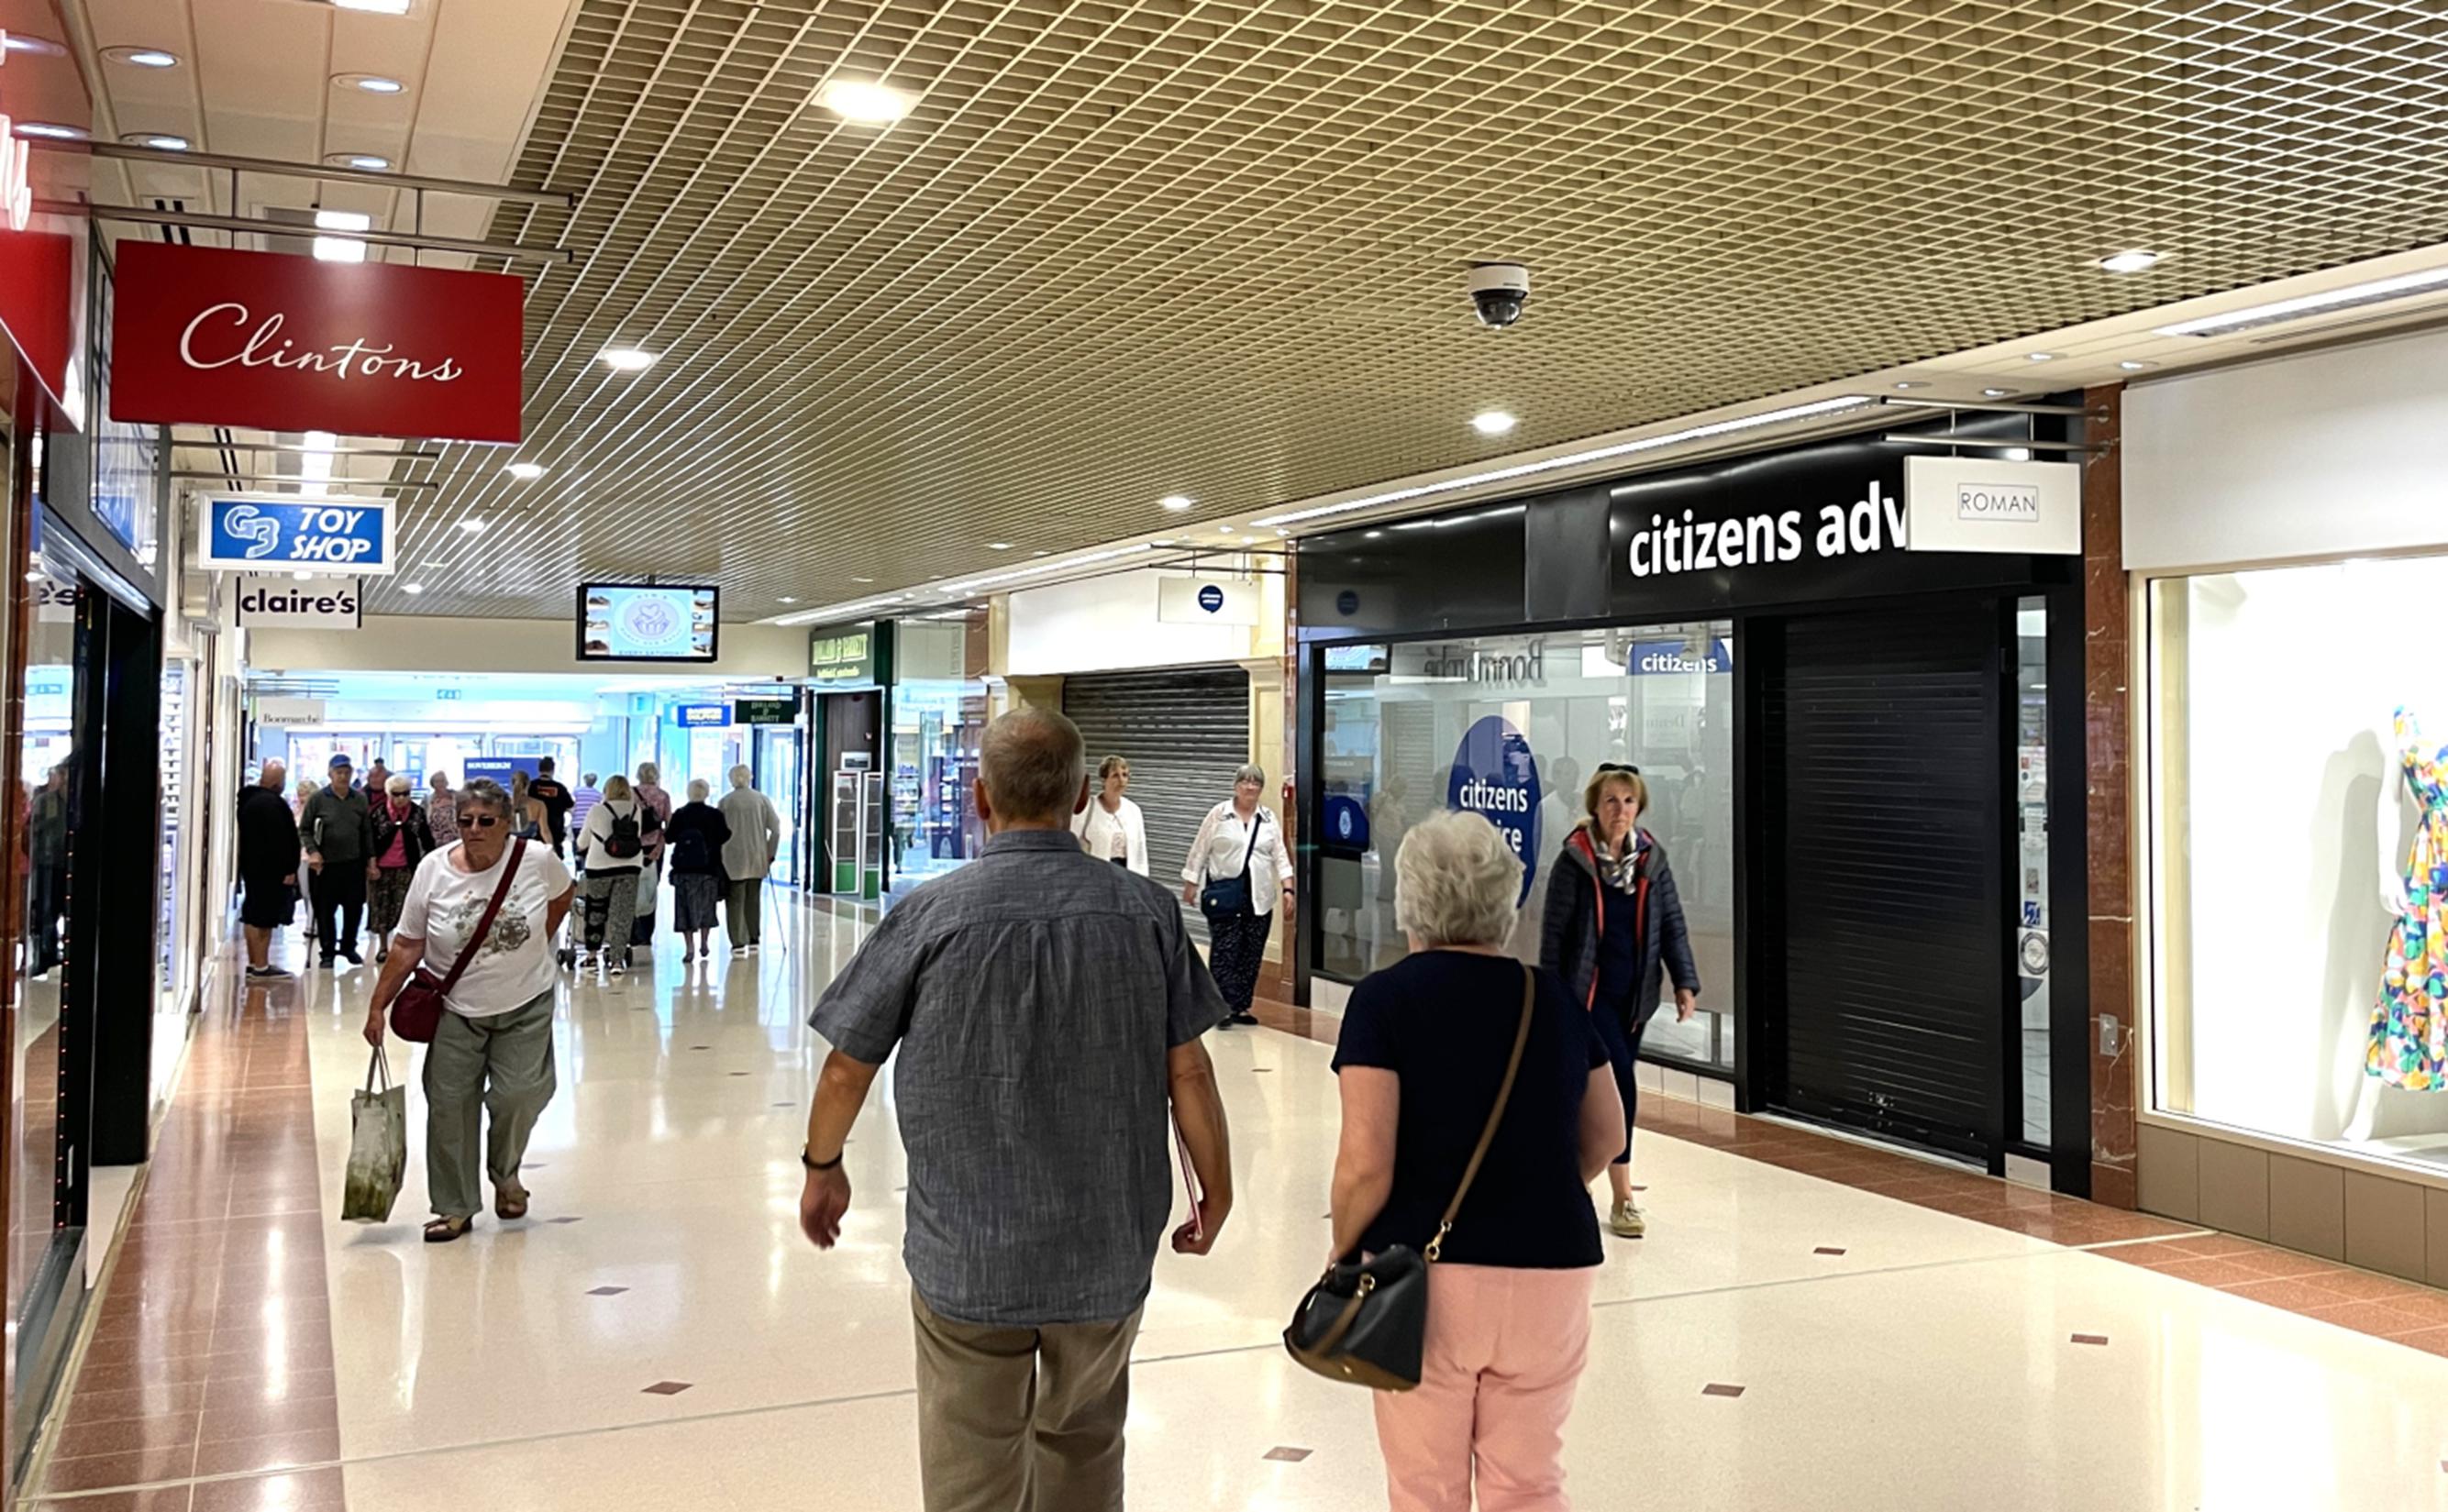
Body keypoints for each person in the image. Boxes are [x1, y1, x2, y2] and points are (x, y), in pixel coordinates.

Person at [800, 706, 1233, 1512]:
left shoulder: (929, 914)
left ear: (979, 797)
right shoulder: (1147, 914)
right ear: (1080, 796)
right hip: (1105, 1246)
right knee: (1084, 1445)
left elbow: (843, 1071)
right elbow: (1191, 1073)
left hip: (967, 1250)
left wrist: (822, 1166)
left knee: (971, 1467)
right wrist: (1216, 1189)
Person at [1333, 811, 1624, 1512]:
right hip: (1553, 1271)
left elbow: (1365, 1163)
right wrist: (1534, 1188)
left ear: (1409, 900)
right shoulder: (1553, 997)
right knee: (1528, 1484)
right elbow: (1607, 1133)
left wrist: (1341, 1253)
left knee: (1426, 1488)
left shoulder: (1382, 1000)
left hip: (1422, 1281)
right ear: (1503, 899)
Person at [363, 778, 574, 1243]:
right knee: (449, 1106)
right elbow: (408, 944)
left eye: (485, 821)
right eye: (465, 821)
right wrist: (378, 1005)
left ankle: (505, 1172)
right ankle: (454, 1206)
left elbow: (564, 895)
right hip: (454, 1007)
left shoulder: (537, 860)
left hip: (525, 1002)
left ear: (507, 823)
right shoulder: (433, 869)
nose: (474, 829)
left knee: (520, 1094)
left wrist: (540, 939)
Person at [1537, 763, 1700, 1240]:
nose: (1620, 810)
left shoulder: (1652, 859)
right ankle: (1622, 1195)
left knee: (1598, 1090)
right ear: (1595, 805)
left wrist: (1684, 982)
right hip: (1588, 998)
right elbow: (1554, 936)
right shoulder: (1575, 861)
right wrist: (1553, 998)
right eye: (1611, 800)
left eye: (1628, 801)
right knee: (1620, 1083)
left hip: (1636, 998)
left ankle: (1574, 1179)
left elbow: (1671, 924)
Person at [1180, 763, 1292, 1027]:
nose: (1250, 787)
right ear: (1235, 786)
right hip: (1225, 895)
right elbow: (1200, 848)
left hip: (1258, 897)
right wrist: (1191, 882)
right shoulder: (1219, 815)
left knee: (1251, 953)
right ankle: (1220, 1007)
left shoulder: (1268, 819)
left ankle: (1240, 1006)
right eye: (1245, 782)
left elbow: (1280, 854)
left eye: (1256, 783)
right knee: (1225, 951)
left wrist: (1288, 887)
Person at [574, 774, 656, 976]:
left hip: (599, 868)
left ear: (607, 790)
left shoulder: (597, 810)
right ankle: (617, 961)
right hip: (630, 867)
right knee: (622, 914)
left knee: (596, 911)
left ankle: (592, 956)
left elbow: (582, 842)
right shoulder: (635, 809)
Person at [298, 755, 375, 967]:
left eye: (347, 772)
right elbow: (304, 830)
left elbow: (366, 831)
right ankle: (327, 951)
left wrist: (371, 860)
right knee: (325, 910)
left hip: (353, 863)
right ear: (330, 774)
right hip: (325, 865)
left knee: (354, 909)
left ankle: (348, 947)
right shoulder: (318, 799)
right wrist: (313, 852)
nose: (343, 776)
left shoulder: (359, 799)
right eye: (339, 772)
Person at [236, 761, 300, 979]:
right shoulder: (270, 804)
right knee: (264, 918)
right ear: (277, 782)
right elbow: (280, 839)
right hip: (270, 871)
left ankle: (255, 962)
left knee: (252, 914)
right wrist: (288, 868)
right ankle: (261, 966)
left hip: (253, 867)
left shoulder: (249, 801)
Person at [368, 775, 436, 965]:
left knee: (406, 908)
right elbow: (369, 841)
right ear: (389, 794)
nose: (401, 798)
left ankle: (403, 947)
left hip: (407, 867)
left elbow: (427, 840)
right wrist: (371, 865)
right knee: (381, 907)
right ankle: (383, 947)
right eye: (396, 794)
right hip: (381, 867)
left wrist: (431, 864)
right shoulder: (378, 813)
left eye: (405, 794)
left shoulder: (417, 812)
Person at [664, 778, 730, 961]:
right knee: (707, 907)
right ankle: (704, 942)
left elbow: (668, 838)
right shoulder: (715, 815)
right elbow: (725, 835)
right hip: (709, 868)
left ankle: (689, 948)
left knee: (684, 908)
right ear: (706, 793)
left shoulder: (680, 814)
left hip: (683, 870)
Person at [719, 765, 781, 957]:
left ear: (732, 779)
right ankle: (754, 938)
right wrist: (770, 853)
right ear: (750, 777)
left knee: (735, 900)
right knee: (753, 899)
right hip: (757, 856)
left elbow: (717, 831)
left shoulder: (725, 802)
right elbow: (776, 828)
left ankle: (738, 943)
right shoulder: (761, 799)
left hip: (732, 857)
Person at [1071, 755, 1149, 877]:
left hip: (1127, 874)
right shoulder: (1086, 808)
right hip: (1095, 874)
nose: (1121, 780)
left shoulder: (1133, 810)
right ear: (1104, 780)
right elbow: (1072, 843)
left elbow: (1140, 849)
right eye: (1115, 775)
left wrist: (1142, 879)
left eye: (1125, 775)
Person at [27, 762, 70, 977]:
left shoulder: (74, 803)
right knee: (46, 912)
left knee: (63, 908)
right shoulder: (45, 801)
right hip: (47, 864)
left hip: (66, 865)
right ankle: (45, 956)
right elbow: (33, 830)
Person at [629, 761, 675, 950]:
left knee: (630, 888)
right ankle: (646, 933)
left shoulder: (630, 794)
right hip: (654, 849)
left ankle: (632, 932)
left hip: (631, 848)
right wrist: (659, 846)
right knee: (650, 889)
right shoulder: (663, 796)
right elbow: (669, 825)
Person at [293, 778, 322, 944]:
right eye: (299, 794)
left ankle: (312, 925)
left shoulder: (316, 813)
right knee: (304, 892)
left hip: (313, 856)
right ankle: (311, 920)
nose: (301, 798)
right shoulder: (296, 811)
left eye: (304, 794)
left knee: (313, 892)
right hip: (300, 856)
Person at [526, 758, 576, 855]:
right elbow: (570, 807)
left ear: (539, 769)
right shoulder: (560, 788)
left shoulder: (531, 787)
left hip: (533, 835)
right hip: (555, 833)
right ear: (553, 770)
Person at [507, 771, 548, 842]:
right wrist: (551, 847)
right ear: (528, 785)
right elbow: (545, 832)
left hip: (508, 845)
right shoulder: (538, 805)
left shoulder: (503, 804)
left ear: (512, 784)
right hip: (529, 846)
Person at [426, 771, 461, 848]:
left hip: (455, 837)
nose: (440, 784)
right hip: (435, 839)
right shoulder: (428, 800)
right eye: (437, 781)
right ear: (432, 784)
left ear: (446, 782)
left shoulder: (457, 796)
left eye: (442, 781)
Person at [570, 772, 604, 841]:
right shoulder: (598, 795)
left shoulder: (577, 791)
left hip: (577, 824)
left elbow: (571, 805)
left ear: (585, 780)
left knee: (576, 844)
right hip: (591, 825)